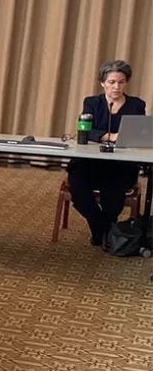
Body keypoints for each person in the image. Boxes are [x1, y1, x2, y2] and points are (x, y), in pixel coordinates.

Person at [67, 59, 146, 247]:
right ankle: (102, 229)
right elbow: (86, 131)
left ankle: (102, 232)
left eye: (121, 82)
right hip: (89, 163)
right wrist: (108, 136)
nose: (116, 87)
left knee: (113, 201)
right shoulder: (92, 102)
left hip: (120, 165)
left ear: (126, 83)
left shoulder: (136, 105)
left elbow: (138, 133)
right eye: (111, 82)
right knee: (79, 193)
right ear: (102, 82)